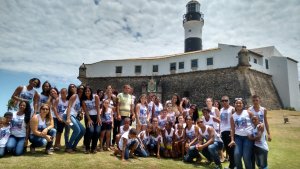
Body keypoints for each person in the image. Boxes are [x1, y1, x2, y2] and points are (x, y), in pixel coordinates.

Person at [229, 98, 254, 169]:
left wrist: (258, 130)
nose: (238, 104)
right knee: (236, 155)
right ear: (234, 105)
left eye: (240, 103)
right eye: (237, 103)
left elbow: (255, 122)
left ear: (243, 105)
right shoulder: (233, 116)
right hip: (238, 138)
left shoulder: (248, 113)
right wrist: (232, 140)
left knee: (246, 157)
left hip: (248, 138)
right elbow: (232, 129)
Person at [63, 84, 85, 153]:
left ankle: (73, 146)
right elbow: (69, 106)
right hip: (67, 115)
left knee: (83, 130)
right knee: (77, 130)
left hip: (73, 117)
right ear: (78, 89)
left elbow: (78, 109)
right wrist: (68, 118)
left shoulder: (81, 99)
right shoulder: (75, 96)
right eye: (80, 88)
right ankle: (68, 147)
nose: (81, 90)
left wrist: (81, 113)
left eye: (83, 89)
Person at [82, 86, 101, 154]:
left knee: (97, 132)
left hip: (97, 116)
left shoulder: (95, 96)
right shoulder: (83, 100)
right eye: (86, 91)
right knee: (90, 131)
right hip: (88, 117)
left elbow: (98, 107)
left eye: (88, 91)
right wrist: (89, 119)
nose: (87, 92)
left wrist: (99, 117)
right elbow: (86, 110)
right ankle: (87, 148)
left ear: (91, 91)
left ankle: (93, 148)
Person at [220, 96, 235, 169]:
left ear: (229, 101)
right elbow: (221, 122)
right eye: (222, 101)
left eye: (226, 100)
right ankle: (232, 165)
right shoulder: (221, 110)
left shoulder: (232, 109)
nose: (224, 102)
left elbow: (235, 120)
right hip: (223, 132)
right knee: (228, 150)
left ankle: (233, 166)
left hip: (229, 131)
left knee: (231, 150)